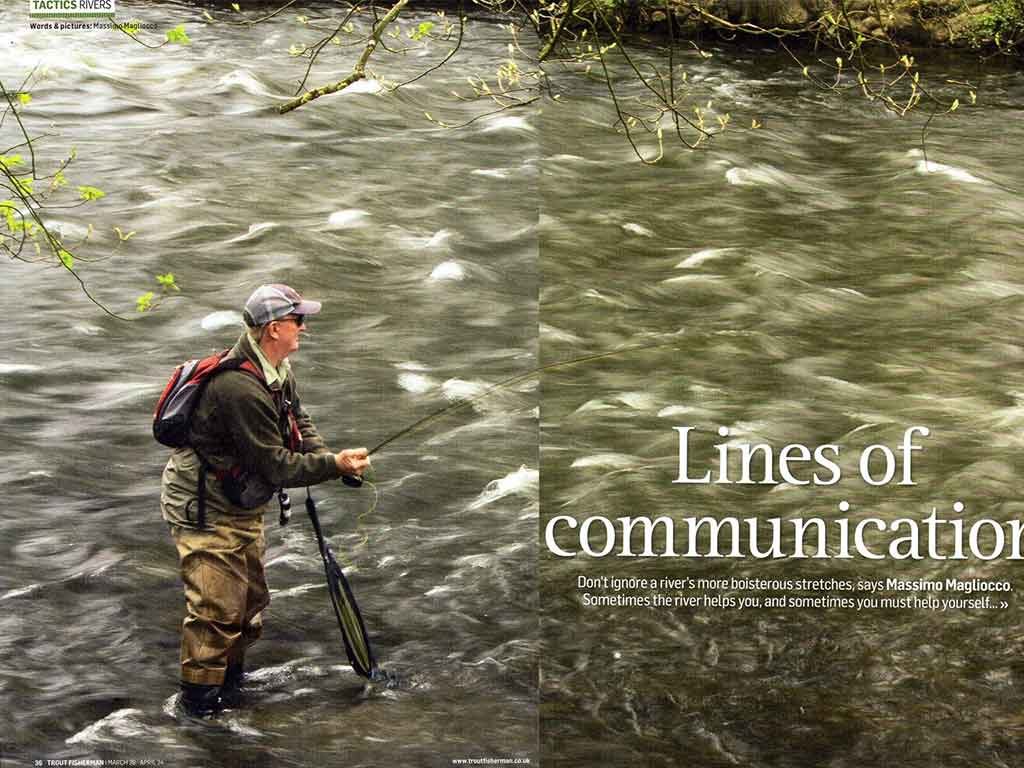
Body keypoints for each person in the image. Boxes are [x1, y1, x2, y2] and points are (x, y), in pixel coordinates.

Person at [160, 283, 370, 717]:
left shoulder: (277, 369)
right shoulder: (239, 388)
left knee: (248, 604)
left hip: (240, 503)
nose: (304, 329)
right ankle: (196, 713)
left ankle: (229, 692)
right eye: (299, 321)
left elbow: (299, 422)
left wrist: (330, 457)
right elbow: (276, 465)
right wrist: (333, 466)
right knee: (216, 611)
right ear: (273, 329)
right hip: (204, 508)